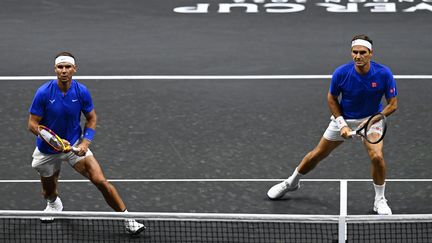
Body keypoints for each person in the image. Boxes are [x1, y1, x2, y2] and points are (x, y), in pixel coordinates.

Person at [267, 34, 398, 215]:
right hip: (344, 118)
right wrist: (342, 124)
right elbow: (331, 98)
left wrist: (372, 120)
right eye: (354, 52)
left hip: (372, 120)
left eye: (362, 52)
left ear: (371, 53)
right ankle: (291, 182)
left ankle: (379, 200)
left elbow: (393, 104)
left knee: (377, 157)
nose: (358, 56)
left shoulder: (384, 74)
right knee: (316, 155)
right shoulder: (341, 73)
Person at [28, 52, 146, 235]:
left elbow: (91, 118)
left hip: (74, 145)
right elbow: (32, 124)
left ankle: (128, 220)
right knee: (48, 192)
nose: (64, 71)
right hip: (47, 150)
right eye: (60, 67)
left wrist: (85, 143)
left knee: (101, 180)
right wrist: (53, 140)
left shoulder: (81, 91)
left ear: (74, 69)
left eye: (68, 67)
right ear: (55, 69)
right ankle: (53, 204)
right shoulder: (43, 92)